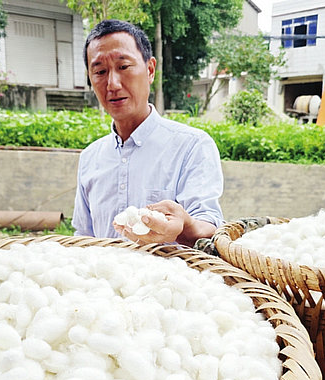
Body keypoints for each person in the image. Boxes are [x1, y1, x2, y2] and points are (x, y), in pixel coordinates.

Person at [72, 19, 224, 247]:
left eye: (124, 67)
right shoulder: (89, 158)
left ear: (150, 70)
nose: (112, 84)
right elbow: (83, 236)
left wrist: (185, 226)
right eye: (100, 71)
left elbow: (209, 225)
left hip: (173, 272)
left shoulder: (192, 146)